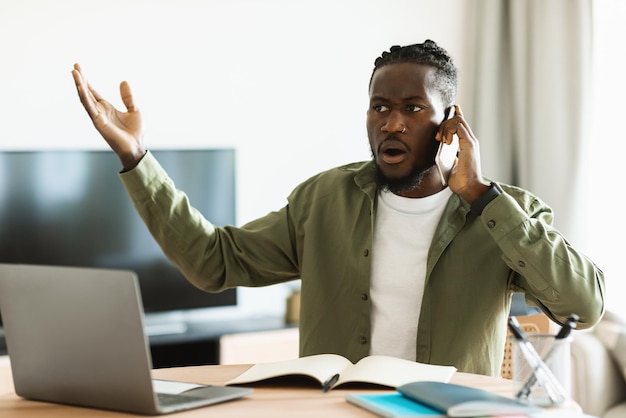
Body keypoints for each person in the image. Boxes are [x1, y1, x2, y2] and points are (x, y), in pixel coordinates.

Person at [72, 40, 605, 377]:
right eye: (380, 107)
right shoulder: (324, 200)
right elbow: (216, 262)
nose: (392, 123)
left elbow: (583, 306)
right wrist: (135, 156)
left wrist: (482, 195)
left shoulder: (501, 213)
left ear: (449, 124)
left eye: (413, 108)